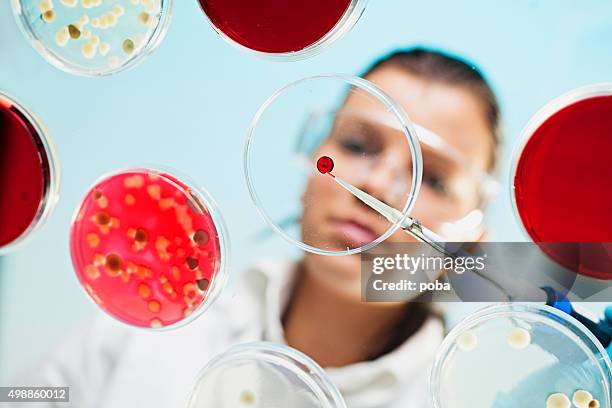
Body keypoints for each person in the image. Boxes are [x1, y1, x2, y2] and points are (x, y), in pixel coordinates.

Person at [13, 48, 502, 408]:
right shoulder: (159, 324)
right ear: (313, 160)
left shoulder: (463, 397)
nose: (377, 186)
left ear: (471, 238)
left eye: (433, 178)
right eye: (357, 145)